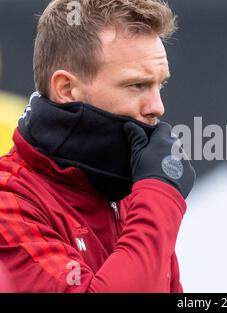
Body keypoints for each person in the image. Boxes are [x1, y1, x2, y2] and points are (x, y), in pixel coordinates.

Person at [0, 0, 195, 292]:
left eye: (160, 85)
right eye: (137, 86)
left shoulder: (132, 193)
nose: (158, 107)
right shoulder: (9, 202)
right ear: (66, 89)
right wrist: (160, 195)